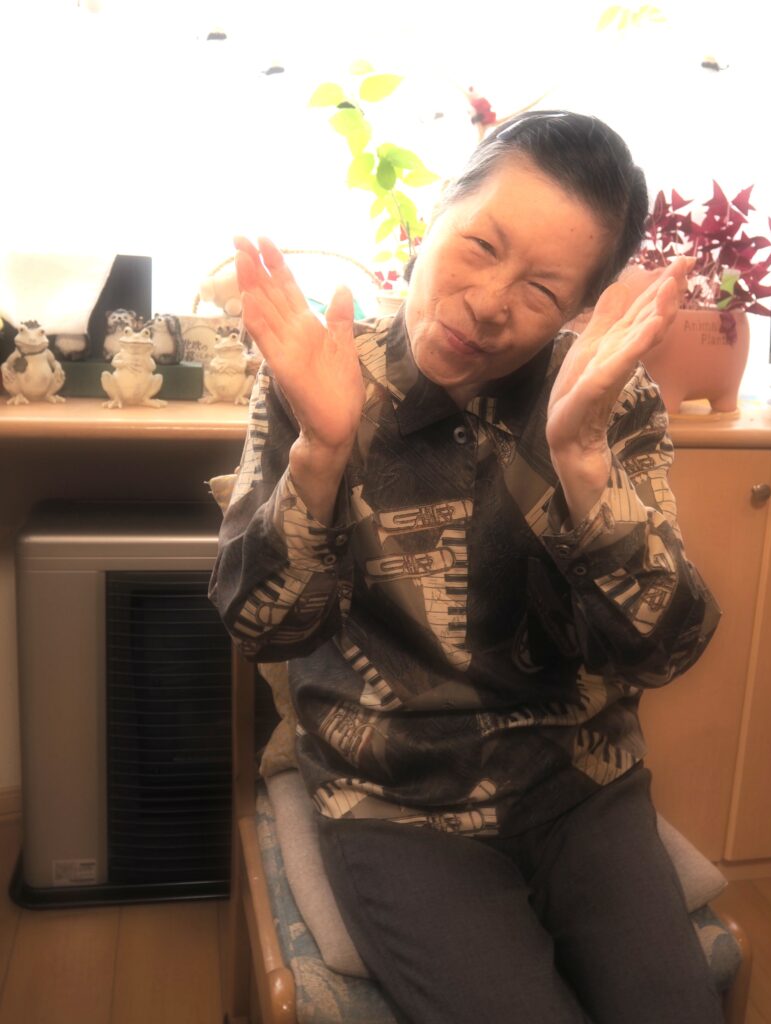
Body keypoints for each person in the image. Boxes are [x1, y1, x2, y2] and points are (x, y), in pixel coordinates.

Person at [209, 110, 723, 1024]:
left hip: (581, 784)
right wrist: (320, 455)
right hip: (394, 801)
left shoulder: (608, 397)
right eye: (481, 246)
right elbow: (262, 627)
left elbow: (661, 649)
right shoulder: (319, 375)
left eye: (542, 289)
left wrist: (581, 463)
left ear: (578, 309)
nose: (489, 303)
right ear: (441, 209)